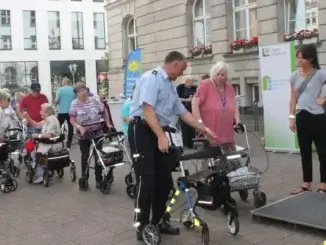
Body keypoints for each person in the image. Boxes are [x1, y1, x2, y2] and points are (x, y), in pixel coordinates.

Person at [128, 51, 216, 240]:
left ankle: (158, 221)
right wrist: (161, 135)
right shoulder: (152, 79)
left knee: (164, 181)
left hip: (158, 132)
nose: (182, 74)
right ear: (175, 64)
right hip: (142, 131)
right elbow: (147, 108)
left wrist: (204, 129)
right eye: (182, 69)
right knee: (147, 181)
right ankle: (141, 225)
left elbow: (183, 113)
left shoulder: (169, 86)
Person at [289, 44, 326, 194]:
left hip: (318, 117)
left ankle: (324, 185)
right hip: (301, 116)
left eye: (301, 57)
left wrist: (324, 99)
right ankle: (307, 183)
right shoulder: (293, 76)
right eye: (297, 57)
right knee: (305, 152)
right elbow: (292, 98)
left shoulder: (321, 74)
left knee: (323, 152)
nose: (298, 60)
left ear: (310, 59)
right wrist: (291, 117)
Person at [192, 61, 241, 171]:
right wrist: (200, 123)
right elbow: (195, 104)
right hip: (209, 130)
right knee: (208, 160)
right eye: (217, 74)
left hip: (226, 130)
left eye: (223, 75)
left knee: (230, 158)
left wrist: (237, 120)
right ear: (213, 74)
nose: (220, 77)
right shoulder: (205, 84)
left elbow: (234, 105)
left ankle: (230, 178)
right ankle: (205, 179)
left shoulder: (229, 87)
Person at [69, 82, 112, 189]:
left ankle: (98, 179)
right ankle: (85, 178)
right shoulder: (74, 104)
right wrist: (79, 127)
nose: (82, 92)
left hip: (97, 132)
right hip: (83, 134)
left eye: (83, 90)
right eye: (79, 91)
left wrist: (107, 122)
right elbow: (72, 120)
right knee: (85, 156)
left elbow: (104, 111)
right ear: (76, 94)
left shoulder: (95, 100)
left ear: (87, 90)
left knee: (98, 156)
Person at [24, 103, 62, 183]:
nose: (40, 112)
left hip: (51, 145)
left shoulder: (50, 120)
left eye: (41, 110)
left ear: (47, 112)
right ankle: (48, 169)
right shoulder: (49, 119)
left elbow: (49, 135)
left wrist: (38, 135)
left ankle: (41, 174)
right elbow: (36, 125)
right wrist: (28, 118)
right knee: (36, 149)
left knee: (34, 154)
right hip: (54, 144)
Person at [176, 76, 197, 148]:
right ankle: (186, 144)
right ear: (186, 81)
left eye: (193, 81)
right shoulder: (180, 87)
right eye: (191, 81)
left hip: (192, 110)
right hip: (184, 109)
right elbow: (177, 99)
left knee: (193, 127)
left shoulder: (194, 88)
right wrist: (187, 100)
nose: (192, 82)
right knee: (185, 127)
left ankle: (193, 143)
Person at [55, 77, 76, 148]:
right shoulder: (73, 90)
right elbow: (76, 100)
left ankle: (57, 140)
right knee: (71, 127)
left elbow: (56, 101)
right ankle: (69, 143)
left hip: (62, 111)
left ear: (63, 83)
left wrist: (59, 103)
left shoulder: (60, 90)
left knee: (58, 126)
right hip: (71, 111)